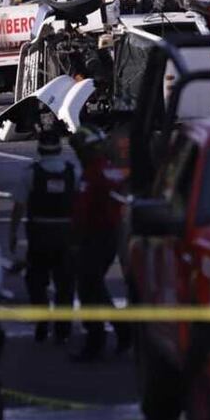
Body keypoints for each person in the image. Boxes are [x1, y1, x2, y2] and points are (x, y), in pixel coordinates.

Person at [70, 126, 131, 361]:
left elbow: (82, 212)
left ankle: (95, 341)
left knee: (87, 290)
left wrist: (74, 240)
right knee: (96, 287)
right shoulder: (108, 169)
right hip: (110, 235)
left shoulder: (93, 174)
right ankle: (122, 332)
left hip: (94, 236)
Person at [10, 130, 77, 344]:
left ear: (39, 148)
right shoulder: (72, 172)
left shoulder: (31, 172)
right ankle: (63, 329)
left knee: (36, 281)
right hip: (66, 233)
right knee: (65, 283)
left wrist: (12, 233)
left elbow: (19, 206)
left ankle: (42, 322)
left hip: (39, 233)